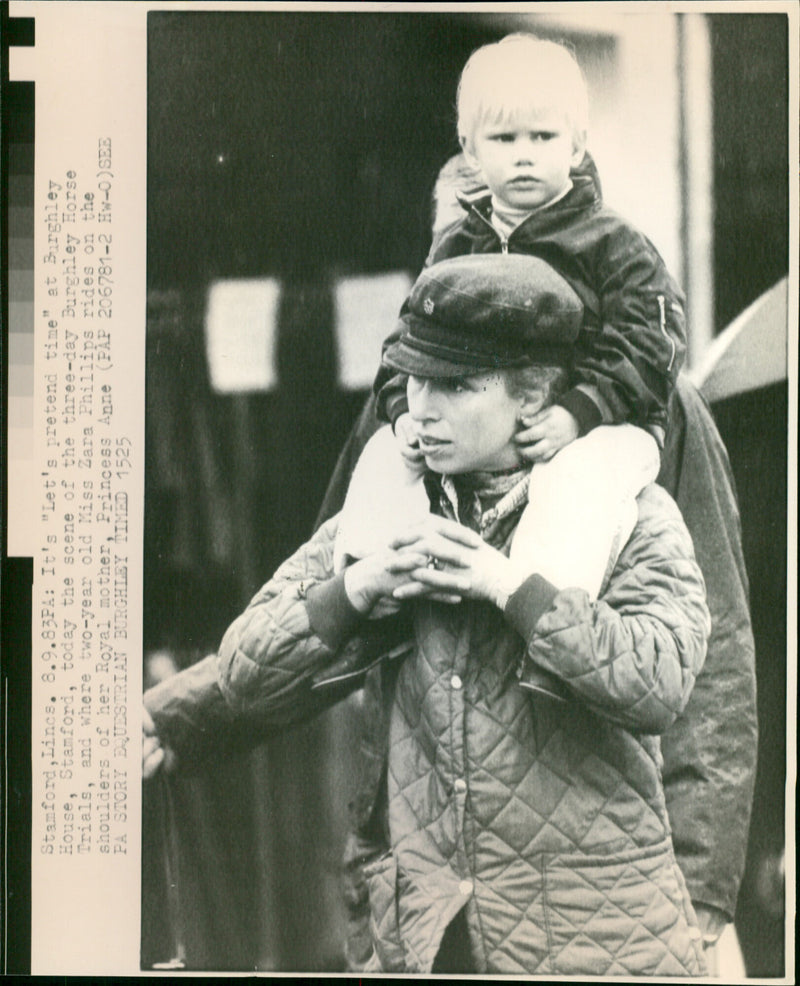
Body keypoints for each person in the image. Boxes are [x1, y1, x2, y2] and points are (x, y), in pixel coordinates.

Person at [144, 255, 711, 976]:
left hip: (600, 945)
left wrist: (510, 587)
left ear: (533, 397)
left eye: (456, 386)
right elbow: (246, 675)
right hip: (425, 943)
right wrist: (357, 589)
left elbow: (661, 683)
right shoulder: (390, 510)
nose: (423, 407)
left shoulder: (628, 514)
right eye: (415, 379)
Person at [352, 33, 686, 606]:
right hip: (491, 430)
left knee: (573, 481)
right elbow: (409, 338)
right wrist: (401, 410)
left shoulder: (612, 243)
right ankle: (374, 594)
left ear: (577, 146)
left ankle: (547, 620)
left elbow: (652, 339)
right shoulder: (457, 242)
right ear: (470, 150)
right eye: (504, 138)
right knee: (386, 454)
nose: (525, 154)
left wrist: (581, 412)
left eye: (544, 136)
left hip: (605, 426)